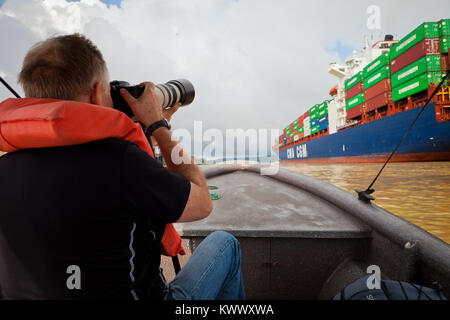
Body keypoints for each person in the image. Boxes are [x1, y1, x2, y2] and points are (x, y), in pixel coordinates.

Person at [0, 33, 245, 300]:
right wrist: (158, 126)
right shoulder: (120, 162)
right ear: (97, 92)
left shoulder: (6, 167)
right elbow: (202, 202)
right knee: (225, 244)